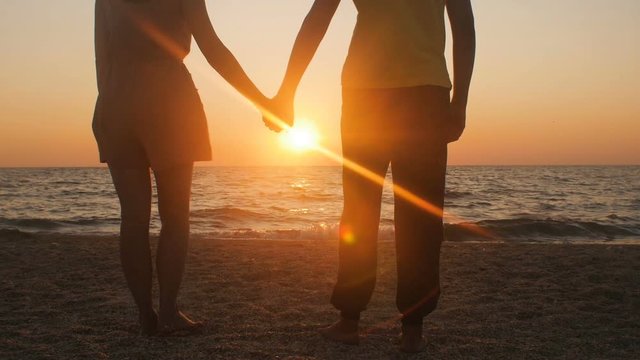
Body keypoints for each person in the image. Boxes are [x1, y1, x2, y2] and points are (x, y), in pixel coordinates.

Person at [264, 0, 475, 352]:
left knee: (368, 209)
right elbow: (464, 22)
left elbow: (318, 16)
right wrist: (460, 101)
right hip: (414, 94)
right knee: (413, 214)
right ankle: (410, 328)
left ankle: (356, 320)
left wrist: (288, 90)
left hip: (375, 94)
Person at [93, 0, 269, 335]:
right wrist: (263, 102)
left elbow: (102, 53)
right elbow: (212, 48)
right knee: (175, 217)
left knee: (133, 218)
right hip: (169, 99)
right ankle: (169, 311)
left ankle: (145, 315)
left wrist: (107, 102)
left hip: (116, 100)